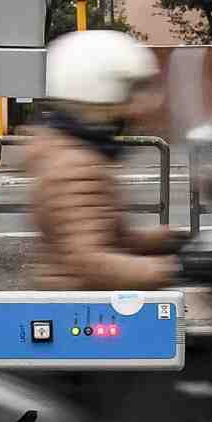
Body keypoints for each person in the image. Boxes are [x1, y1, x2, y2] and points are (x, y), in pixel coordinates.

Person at [28, 30, 182, 290]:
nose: (140, 107)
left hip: (85, 302)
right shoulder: (75, 168)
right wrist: (177, 269)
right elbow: (90, 261)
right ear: (100, 92)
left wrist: (175, 240)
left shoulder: (76, 153)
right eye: (131, 91)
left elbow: (113, 236)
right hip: (79, 306)